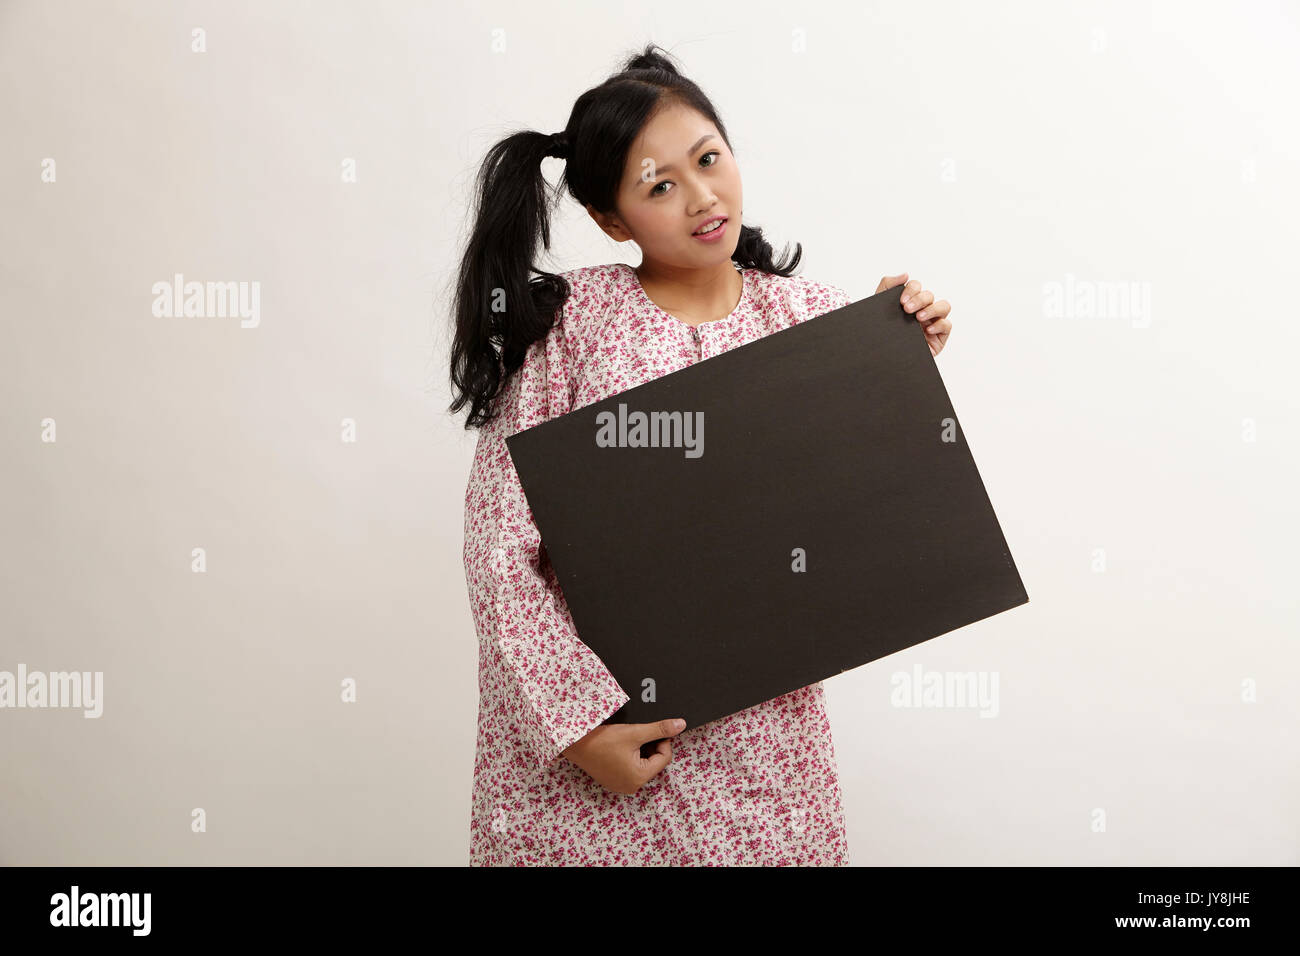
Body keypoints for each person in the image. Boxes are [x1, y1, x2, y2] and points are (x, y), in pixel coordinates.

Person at [449, 43, 953, 866]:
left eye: (709, 159)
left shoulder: (805, 322)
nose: (701, 197)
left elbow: (856, 501)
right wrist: (580, 727)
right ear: (613, 221)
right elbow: (499, 547)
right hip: (604, 750)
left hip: (762, 751)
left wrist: (898, 353)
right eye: (659, 185)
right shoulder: (574, 331)